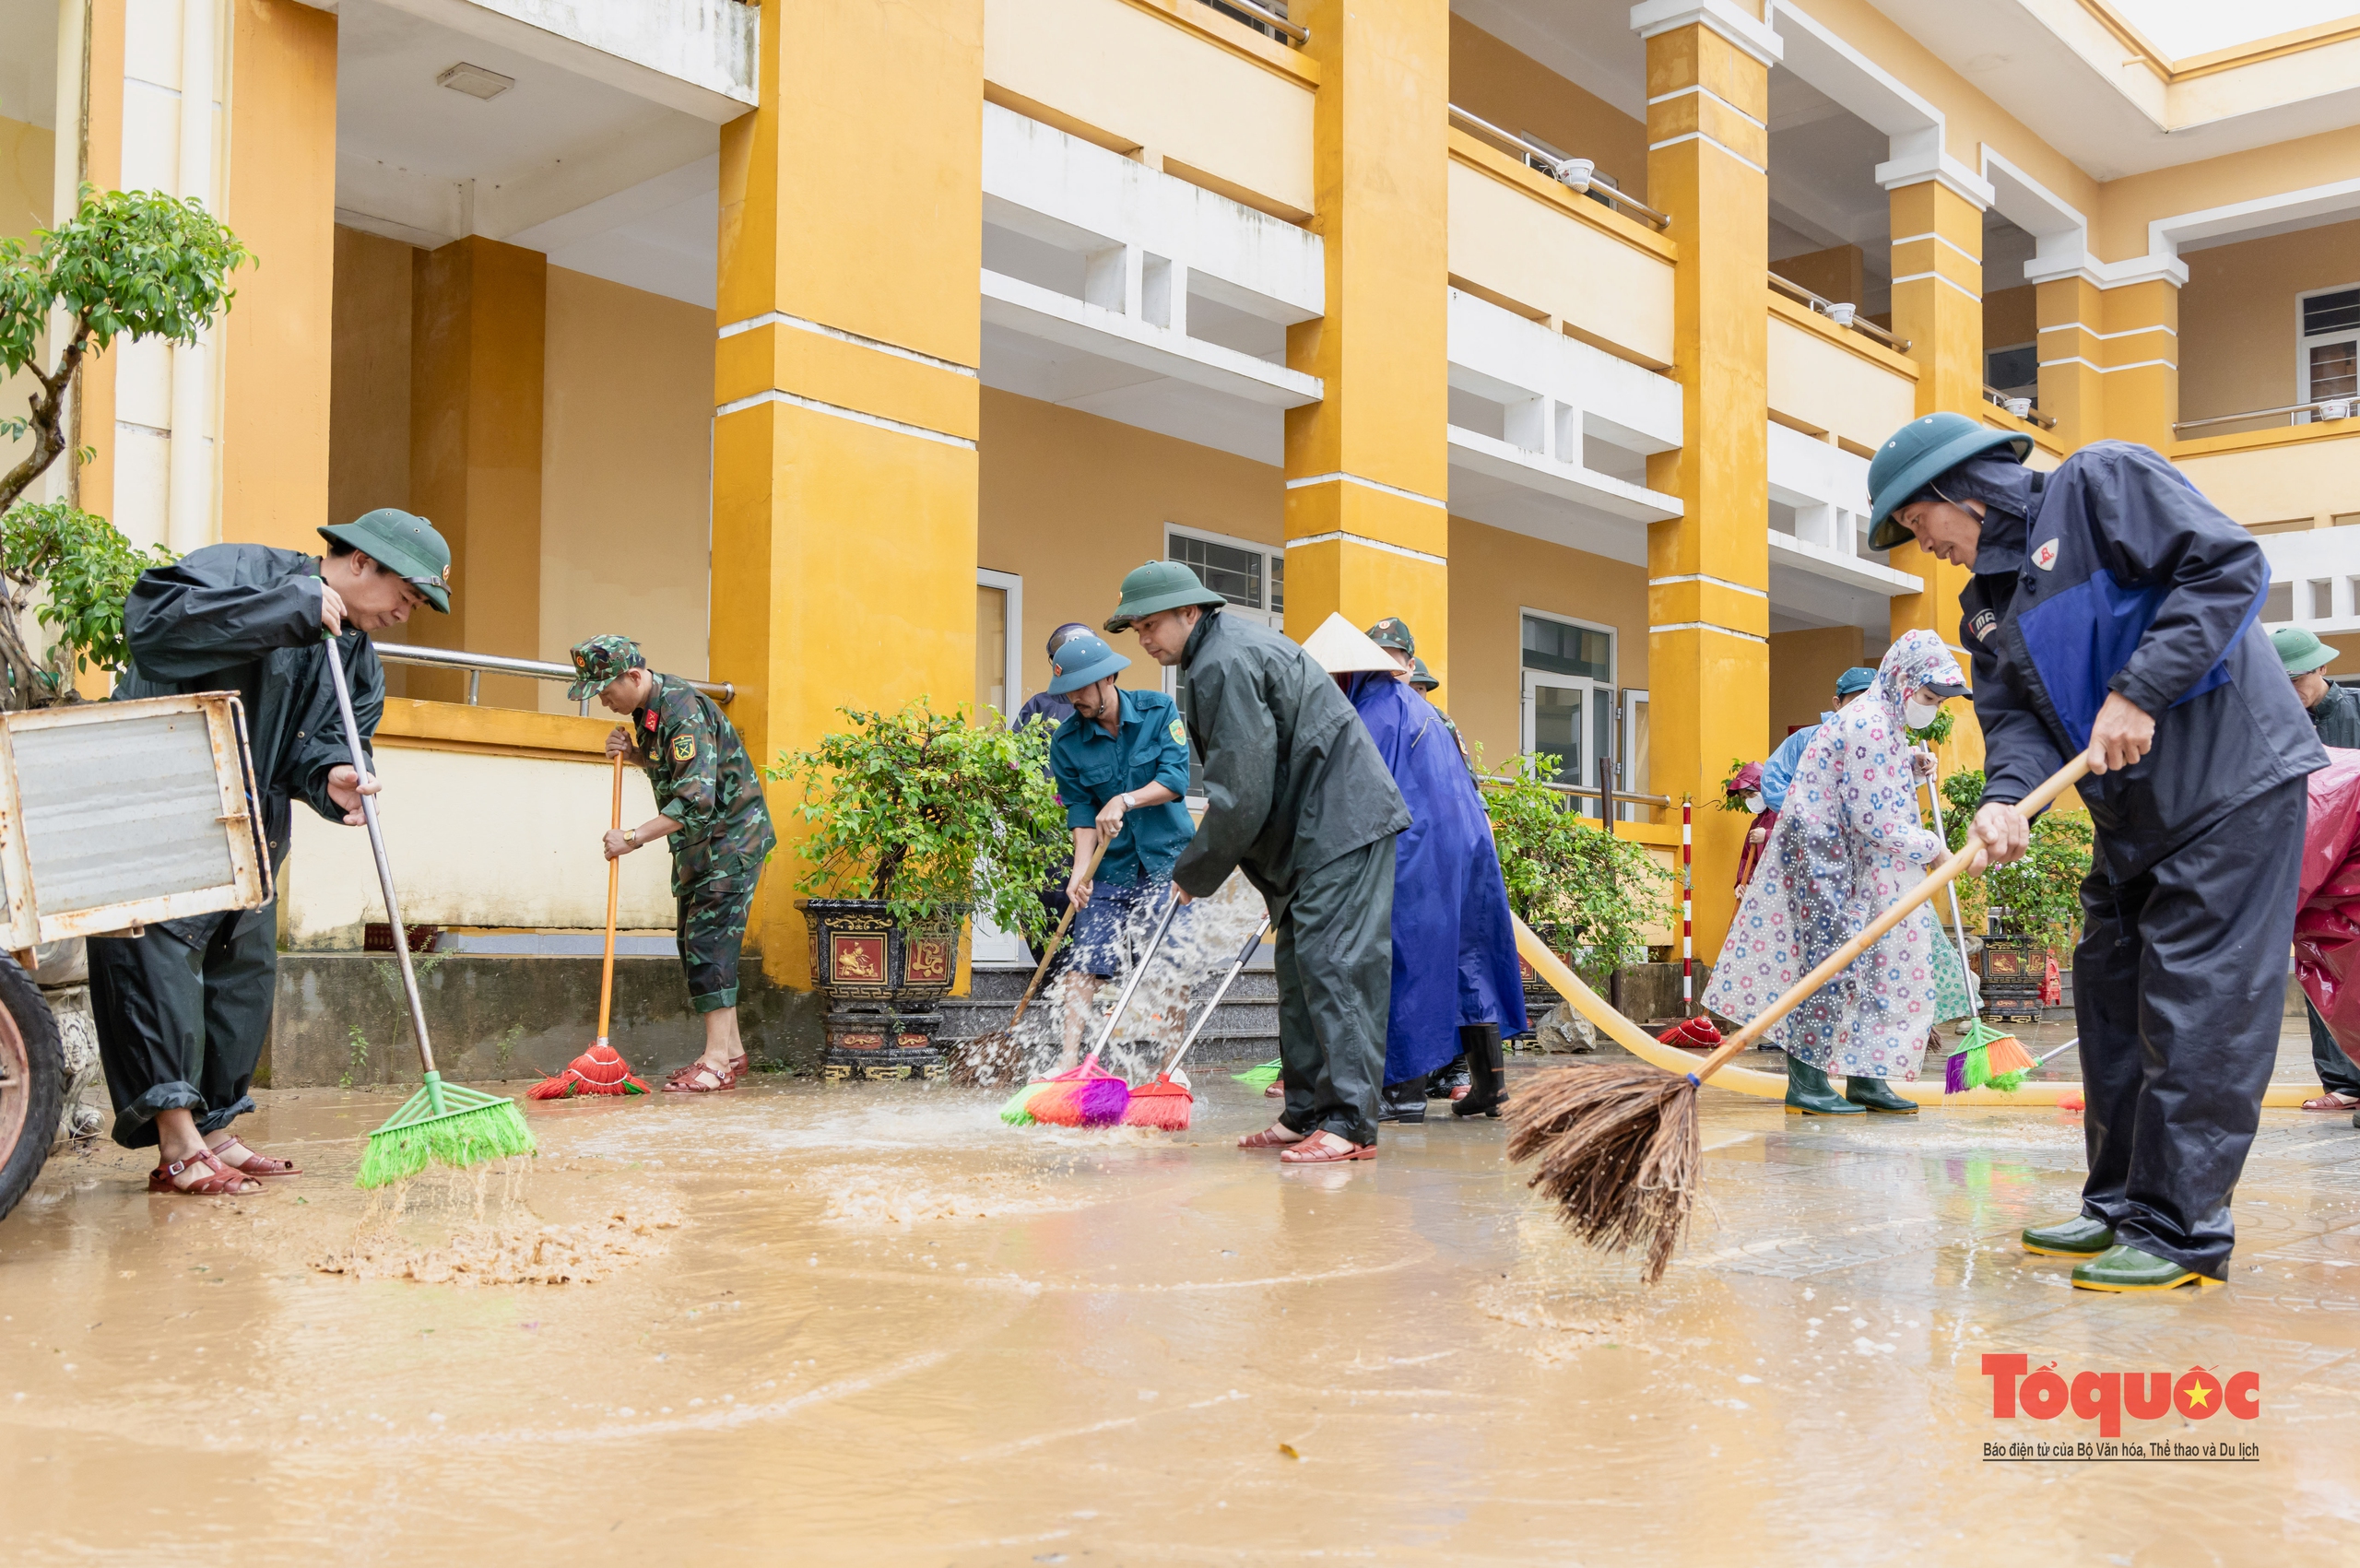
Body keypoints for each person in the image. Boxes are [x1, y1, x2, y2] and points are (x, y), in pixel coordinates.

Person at [1872, 410, 2324, 1292]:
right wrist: (2005, 799)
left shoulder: (2100, 485)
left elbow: (2228, 567)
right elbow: (2016, 726)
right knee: (2111, 993)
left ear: (1958, 495)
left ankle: (2178, 1228)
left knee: (2199, 1003)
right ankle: (2118, 1201)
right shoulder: (1987, 610)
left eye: (1920, 527)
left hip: (2231, 784)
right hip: (2132, 819)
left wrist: (2139, 689)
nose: (1926, 549)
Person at [88, 508, 445, 1195]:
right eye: (407, 591)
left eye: (419, 603)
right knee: (155, 964)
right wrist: (289, 609)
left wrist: (335, 777)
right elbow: (153, 626)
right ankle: (177, 1141)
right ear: (362, 560)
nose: (408, 610)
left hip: (250, 827)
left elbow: (334, 745)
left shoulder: (357, 660)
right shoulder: (247, 572)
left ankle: (215, 1124)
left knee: (241, 972)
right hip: (162, 803)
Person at [1108, 561, 1410, 1164]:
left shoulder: (1222, 660)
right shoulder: (1216, 655)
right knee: (1300, 977)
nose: (1144, 639)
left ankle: (1351, 1124)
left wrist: (1194, 872)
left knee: (1335, 971)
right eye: (1136, 629)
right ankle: (1304, 1113)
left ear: (1189, 611)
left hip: (1340, 827)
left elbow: (1241, 792)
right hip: (1312, 836)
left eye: (1151, 625)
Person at [1703, 631, 1976, 1115]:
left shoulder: (1885, 723)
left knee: (1876, 967)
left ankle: (1867, 1078)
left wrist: (1909, 765)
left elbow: (1868, 782)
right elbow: (1875, 819)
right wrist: (1936, 849)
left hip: (1851, 863)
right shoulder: (1870, 724)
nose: (1930, 708)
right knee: (1827, 966)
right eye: (1928, 696)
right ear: (1901, 680)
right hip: (1825, 861)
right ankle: (1807, 1084)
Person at [1324, 627, 1528, 1124]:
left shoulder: (1371, 711)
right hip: (1469, 846)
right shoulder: (1430, 714)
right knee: (1469, 957)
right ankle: (1490, 1088)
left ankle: (1404, 1092)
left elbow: (1357, 793)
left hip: (1418, 847)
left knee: (1406, 957)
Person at [577, 634, 777, 1093]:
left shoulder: (681, 711)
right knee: (694, 943)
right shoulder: (650, 712)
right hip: (702, 846)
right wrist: (634, 753)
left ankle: (716, 1063)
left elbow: (696, 798)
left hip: (729, 843)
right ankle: (730, 1052)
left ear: (633, 676)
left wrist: (631, 837)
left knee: (708, 943)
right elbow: (675, 768)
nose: (603, 700)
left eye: (605, 690)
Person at [1043, 632, 1195, 1067]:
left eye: (1081, 686)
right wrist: (1078, 873)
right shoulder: (1067, 741)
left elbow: (1174, 781)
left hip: (1167, 862)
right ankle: (1068, 1066)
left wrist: (1125, 799)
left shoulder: (1158, 710)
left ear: (1109, 677)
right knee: (1085, 961)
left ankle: (1170, 1068)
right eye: (1068, 689)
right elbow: (1080, 810)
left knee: (1171, 965)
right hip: (1109, 866)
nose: (1074, 698)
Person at [2272, 627, 2360, 1112]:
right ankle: (2341, 1084)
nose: (2290, 691)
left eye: (2297, 679)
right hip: (2309, 863)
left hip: (2353, 862)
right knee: (2319, 968)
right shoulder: (2276, 724)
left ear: (2322, 668)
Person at [1014, 622, 1096, 966]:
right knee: (1045, 898)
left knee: (1085, 901)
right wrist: (1027, 806)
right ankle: (1050, 972)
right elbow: (1015, 763)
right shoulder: (1039, 706)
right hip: (1043, 832)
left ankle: (1084, 972)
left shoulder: (1102, 705)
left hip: (1091, 826)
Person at [1760, 666, 1879, 811]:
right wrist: (1812, 809)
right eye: (1856, 702)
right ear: (1837, 703)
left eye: (1872, 701)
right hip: (1819, 832)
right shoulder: (1807, 738)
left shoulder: (1887, 742)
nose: (1863, 709)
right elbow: (1772, 783)